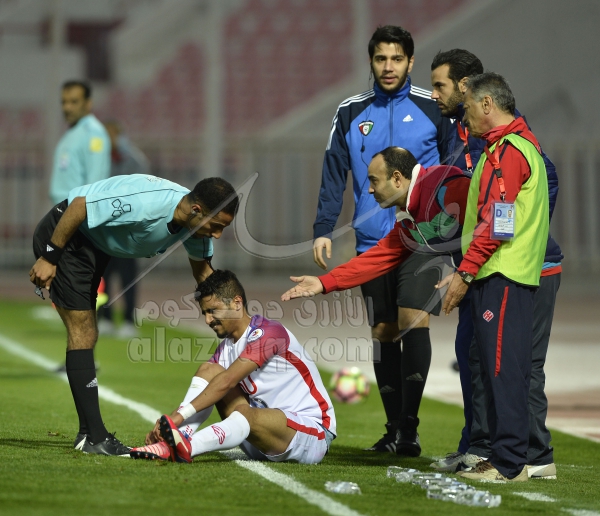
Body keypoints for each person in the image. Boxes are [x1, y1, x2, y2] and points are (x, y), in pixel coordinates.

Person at [313, 25, 452, 453]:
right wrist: (323, 228)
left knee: (413, 320)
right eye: (380, 59)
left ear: (410, 62)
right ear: (371, 62)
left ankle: (409, 429)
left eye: (396, 59)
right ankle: (393, 429)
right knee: (384, 331)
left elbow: (455, 170)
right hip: (373, 241)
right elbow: (334, 172)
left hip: (422, 239)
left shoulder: (434, 109)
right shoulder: (350, 112)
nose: (388, 67)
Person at [29, 174, 239, 456]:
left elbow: (206, 278)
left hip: (96, 247)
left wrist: (238, 324)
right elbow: (78, 206)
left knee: (87, 333)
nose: (217, 235)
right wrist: (49, 257)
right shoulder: (147, 202)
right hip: (68, 236)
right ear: (196, 210)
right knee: (83, 331)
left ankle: (87, 434)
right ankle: (94, 437)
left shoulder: (194, 227)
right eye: (216, 226)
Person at [429, 50, 562, 480]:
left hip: (502, 272)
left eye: (468, 107)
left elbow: (497, 223)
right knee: (510, 368)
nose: (464, 116)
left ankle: (507, 462)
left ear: (487, 103)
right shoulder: (515, 147)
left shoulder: (506, 152)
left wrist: (466, 272)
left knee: (502, 368)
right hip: (507, 271)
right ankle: (520, 457)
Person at [284, 147, 469, 456]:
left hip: (511, 273)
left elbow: (492, 216)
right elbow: (379, 257)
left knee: (486, 358)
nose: (369, 190)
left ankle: (506, 449)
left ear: (397, 178)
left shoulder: (444, 183)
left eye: (373, 180)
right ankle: (452, 441)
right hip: (480, 272)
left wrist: (467, 270)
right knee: (470, 354)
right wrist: (324, 283)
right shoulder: (409, 218)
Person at [131, 270, 336, 464]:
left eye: (213, 311)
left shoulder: (270, 332)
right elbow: (210, 386)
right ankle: (178, 437)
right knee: (210, 371)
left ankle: (187, 448)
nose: (208, 320)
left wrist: (177, 417)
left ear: (237, 303)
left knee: (236, 400)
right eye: (204, 313)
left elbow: (227, 381)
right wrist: (167, 425)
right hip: (258, 435)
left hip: (310, 435)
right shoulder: (225, 349)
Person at [97, 120, 151, 339]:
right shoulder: (97, 160)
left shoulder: (135, 160)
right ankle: (106, 318)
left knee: (128, 276)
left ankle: (128, 320)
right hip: (105, 227)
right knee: (103, 275)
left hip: (128, 228)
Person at [49, 80, 111, 205]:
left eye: (74, 102)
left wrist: (82, 212)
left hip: (76, 210)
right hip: (64, 208)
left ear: (88, 103)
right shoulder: (73, 132)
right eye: (64, 102)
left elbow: (96, 181)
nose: (67, 108)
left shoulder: (94, 133)